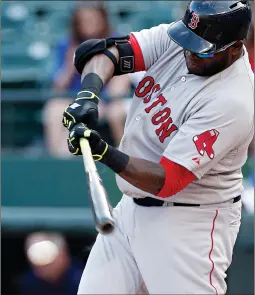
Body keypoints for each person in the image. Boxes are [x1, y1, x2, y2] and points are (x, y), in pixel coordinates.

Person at [61, 1, 254, 294]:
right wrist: (88, 94)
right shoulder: (184, 40)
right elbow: (105, 52)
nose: (188, 53)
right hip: (130, 210)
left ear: (235, 47)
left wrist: (103, 152)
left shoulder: (233, 100)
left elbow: (167, 180)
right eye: (187, 43)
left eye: (200, 49)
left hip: (188, 224)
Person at [43, 5, 131, 157]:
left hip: (103, 100)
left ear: (103, 20)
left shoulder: (116, 42)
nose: (88, 24)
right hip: (73, 99)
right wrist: (70, 64)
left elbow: (121, 83)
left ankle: (126, 156)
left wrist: (107, 98)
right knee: (53, 110)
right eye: (83, 21)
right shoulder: (67, 45)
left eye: (93, 19)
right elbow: (58, 86)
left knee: (111, 112)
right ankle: (58, 160)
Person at [17, 232, 83, 295]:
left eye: (46, 254)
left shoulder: (82, 280)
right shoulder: (29, 284)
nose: (42, 265)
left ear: (63, 253)